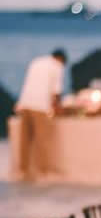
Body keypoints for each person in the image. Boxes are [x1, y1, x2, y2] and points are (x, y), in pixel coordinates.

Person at [16, 48, 67, 181]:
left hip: (25, 103)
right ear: (61, 59)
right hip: (40, 106)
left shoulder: (36, 62)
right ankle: (43, 171)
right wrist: (58, 107)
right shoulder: (57, 66)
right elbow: (56, 92)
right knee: (42, 140)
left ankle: (23, 170)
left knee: (25, 140)